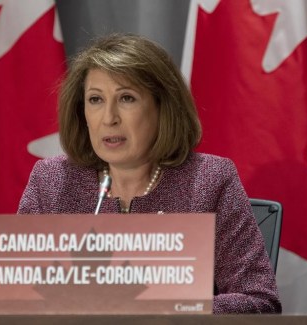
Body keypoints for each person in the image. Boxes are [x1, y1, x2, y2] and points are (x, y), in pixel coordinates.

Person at [18, 33, 281, 314]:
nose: (109, 118)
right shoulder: (52, 181)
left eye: (127, 98)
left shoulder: (210, 180)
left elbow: (260, 302)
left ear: (162, 108)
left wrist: (168, 308)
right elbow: (14, 295)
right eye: (95, 99)